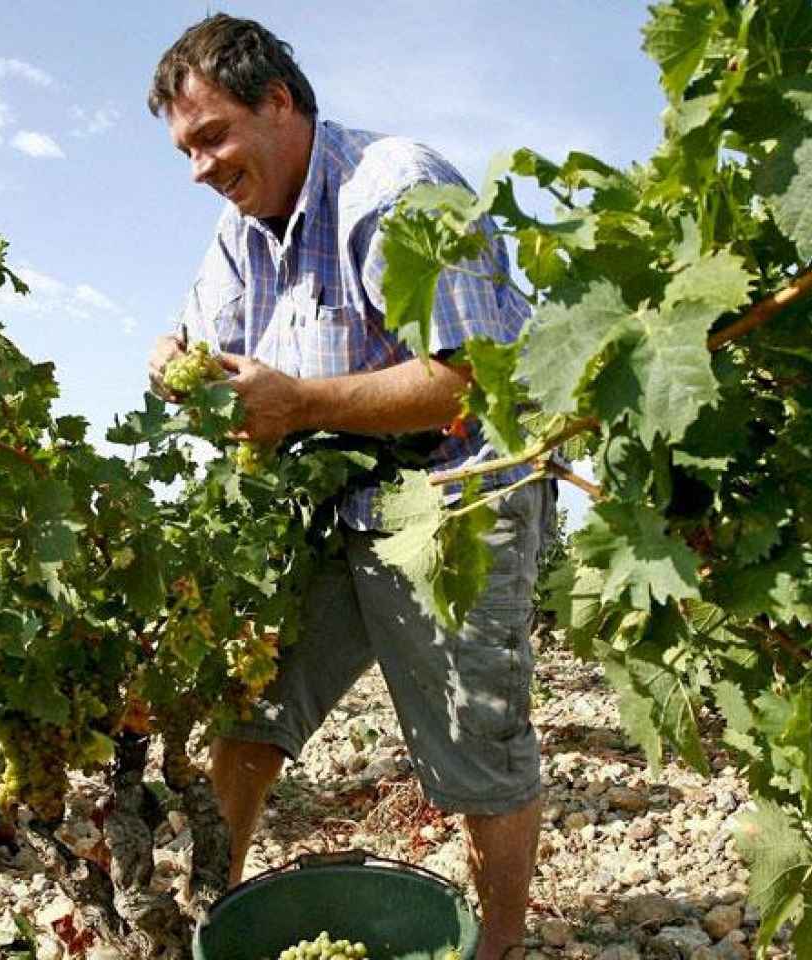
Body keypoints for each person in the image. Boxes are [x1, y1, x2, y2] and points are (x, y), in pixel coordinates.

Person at [144, 16, 553, 959]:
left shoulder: (398, 189)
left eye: (212, 137)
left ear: (278, 102)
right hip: (326, 501)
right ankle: (222, 916)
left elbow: (467, 379)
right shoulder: (239, 226)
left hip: (456, 500)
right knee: (247, 707)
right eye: (184, 148)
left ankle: (495, 945)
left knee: (475, 746)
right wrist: (177, 361)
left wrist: (299, 403)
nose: (199, 167)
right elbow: (210, 340)